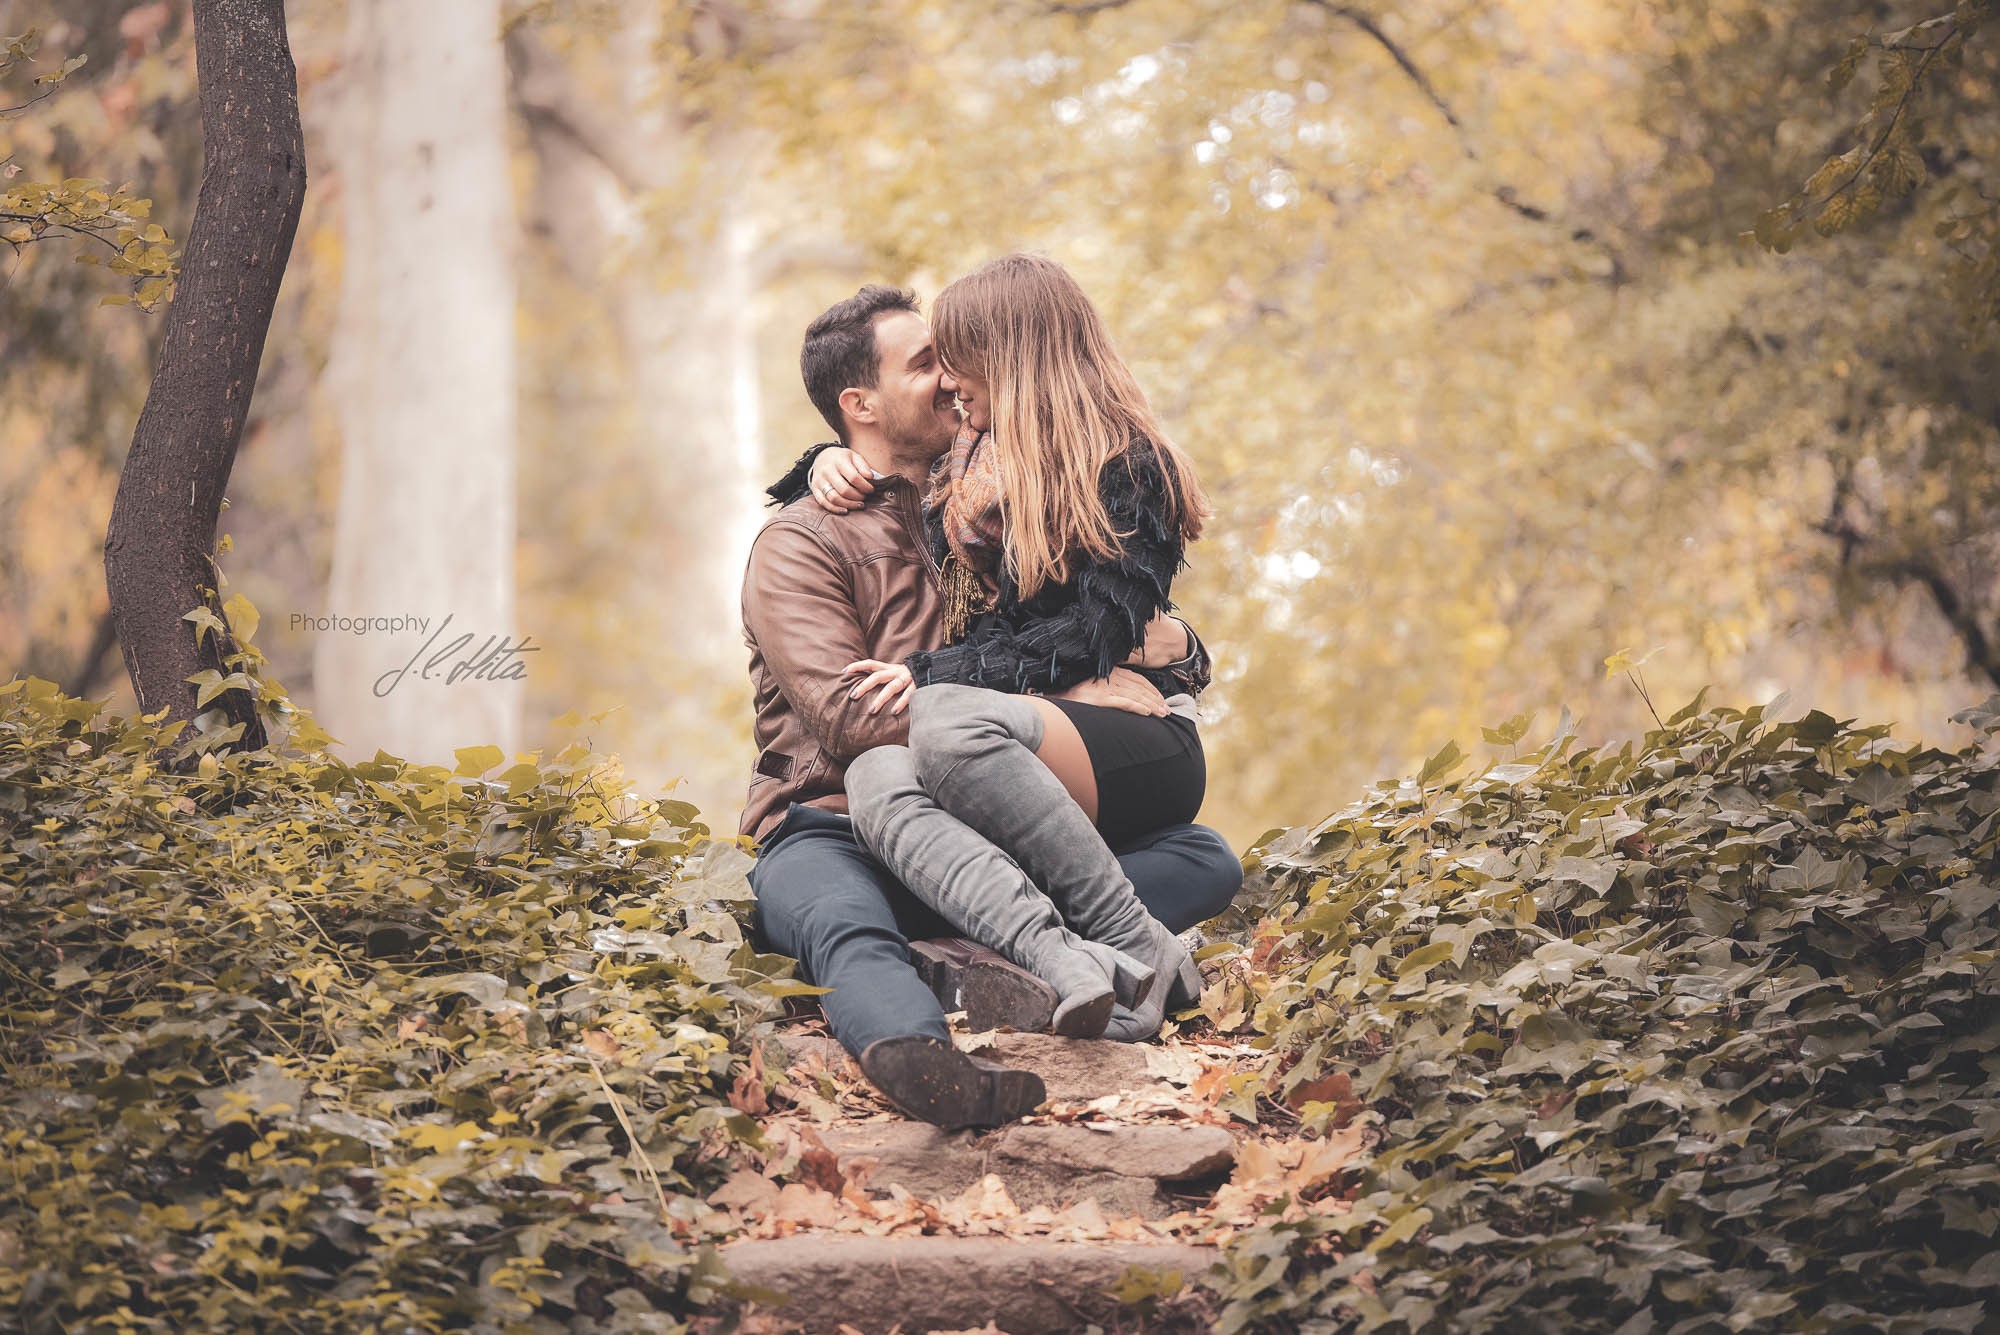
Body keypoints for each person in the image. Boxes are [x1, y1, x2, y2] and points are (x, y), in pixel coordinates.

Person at [740, 283, 1241, 1130]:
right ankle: (924, 1052)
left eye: (952, 358)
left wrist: (1177, 650)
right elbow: (855, 723)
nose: (952, 376)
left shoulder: (987, 495)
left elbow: (1099, 612)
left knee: (1202, 856)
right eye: (926, 361)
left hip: (982, 810)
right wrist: (1055, 691)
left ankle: (978, 953)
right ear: (858, 404)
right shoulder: (801, 541)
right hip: (834, 819)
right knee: (841, 920)